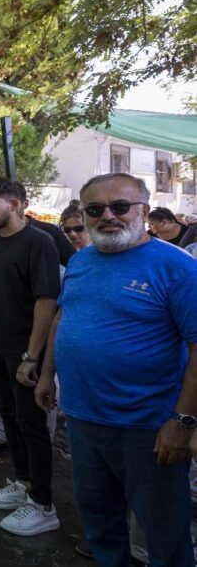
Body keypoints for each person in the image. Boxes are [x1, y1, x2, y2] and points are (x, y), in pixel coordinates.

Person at [35, 173, 197, 566]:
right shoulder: (81, 261)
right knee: (101, 528)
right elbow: (64, 318)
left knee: (164, 537)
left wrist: (184, 421)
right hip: (84, 419)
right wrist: (45, 374)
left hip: (147, 427)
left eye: (120, 207)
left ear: (143, 210)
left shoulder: (178, 267)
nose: (108, 216)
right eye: (95, 209)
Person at [0, 177, 61, 536]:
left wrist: (31, 356)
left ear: (17, 203)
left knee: (32, 426)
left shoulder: (40, 242)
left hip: (25, 353)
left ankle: (43, 503)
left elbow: (47, 301)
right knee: (9, 419)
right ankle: (23, 483)